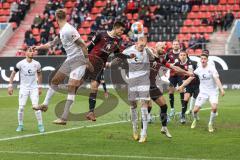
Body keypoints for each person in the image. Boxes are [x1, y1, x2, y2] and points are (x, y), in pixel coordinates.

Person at [33, 9, 92, 125]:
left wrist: (87, 61)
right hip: (70, 60)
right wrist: (39, 47)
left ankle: (64, 118)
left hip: (79, 60)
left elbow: (83, 45)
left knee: (71, 87)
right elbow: (51, 44)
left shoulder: (68, 30)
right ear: (66, 16)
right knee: (54, 81)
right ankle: (44, 105)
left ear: (56, 18)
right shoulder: (62, 31)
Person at [149, 42, 192, 137]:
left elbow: (174, 67)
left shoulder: (161, 59)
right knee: (146, 107)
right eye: (161, 46)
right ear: (155, 47)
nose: (164, 48)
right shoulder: (149, 54)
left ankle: (164, 128)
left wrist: (186, 72)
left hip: (152, 85)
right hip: (143, 84)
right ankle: (141, 132)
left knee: (164, 106)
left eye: (164, 47)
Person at [84, 21, 125, 121]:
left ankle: (91, 112)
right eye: (121, 30)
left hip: (100, 65)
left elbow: (118, 55)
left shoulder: (117, 42)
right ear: (115, 28)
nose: (122, 32)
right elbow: (89, 47)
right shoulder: (101, 34)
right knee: (77, 84)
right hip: (91, 60)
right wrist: (85, 60)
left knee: (95, 87)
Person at [178, 52, 225, 132]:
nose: (203, 60)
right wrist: (182, 86)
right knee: (195, 111)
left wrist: (221, 89)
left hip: (213, 92)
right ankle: (195, 119)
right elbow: (190, 78)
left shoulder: (212, 68)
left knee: (214, 108)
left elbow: (217, 79)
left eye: (204, 59)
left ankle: (210, 123)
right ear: (200, 60)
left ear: (207, 60)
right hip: (203, 92)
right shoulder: (198, 69)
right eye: (202, 59)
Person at [8, 48, 44, 133]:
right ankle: (20, 125)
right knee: (21, 108)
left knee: (36, 107)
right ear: (26, 53)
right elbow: (13, 73)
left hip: (34, 88)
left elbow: (39, 74)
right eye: (30, 51)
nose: (32, 53)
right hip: (23, 88)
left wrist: (39, 86)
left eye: (33, 51)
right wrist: (10, 85)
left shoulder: (37, 64)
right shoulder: (20, 64)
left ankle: (40, 125)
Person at [122, 35, 150, 143]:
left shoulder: (147, 51)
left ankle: (144, 133)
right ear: (136, 43)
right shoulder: (128, 51)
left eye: (144, 45)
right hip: (132, 80)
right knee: (133, 104)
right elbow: (119, 57)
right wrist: (109, 64)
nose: (143, 47)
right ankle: (134, 128)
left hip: (144, 79)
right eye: (141, 45)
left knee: (144, 104)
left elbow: (157, 55)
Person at [175, 51, 199, 124]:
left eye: (184, 55)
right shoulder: (177, 64)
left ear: (187, 56)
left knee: (197, 101)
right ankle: (182, 116)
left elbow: (193, 76)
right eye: (181, 55)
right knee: (186, 98)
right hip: (187, 84)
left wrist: (181, 85)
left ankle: (196, 114)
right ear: (179, 56)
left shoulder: (192, 63)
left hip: (196, 84)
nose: (182, 56)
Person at [165, 40, 184, 117]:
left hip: (180, 75)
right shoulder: (169, 54)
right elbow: (164, 63)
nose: (176, 45)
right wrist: (170, 65)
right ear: (172, 46)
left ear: (179, 45)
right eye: (174, 44)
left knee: (181, 90)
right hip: (172, 75)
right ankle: (172, 109)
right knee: (170, 92)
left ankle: (183, 110)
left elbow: (186, 62)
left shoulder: (182, 54)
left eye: (177, 44)